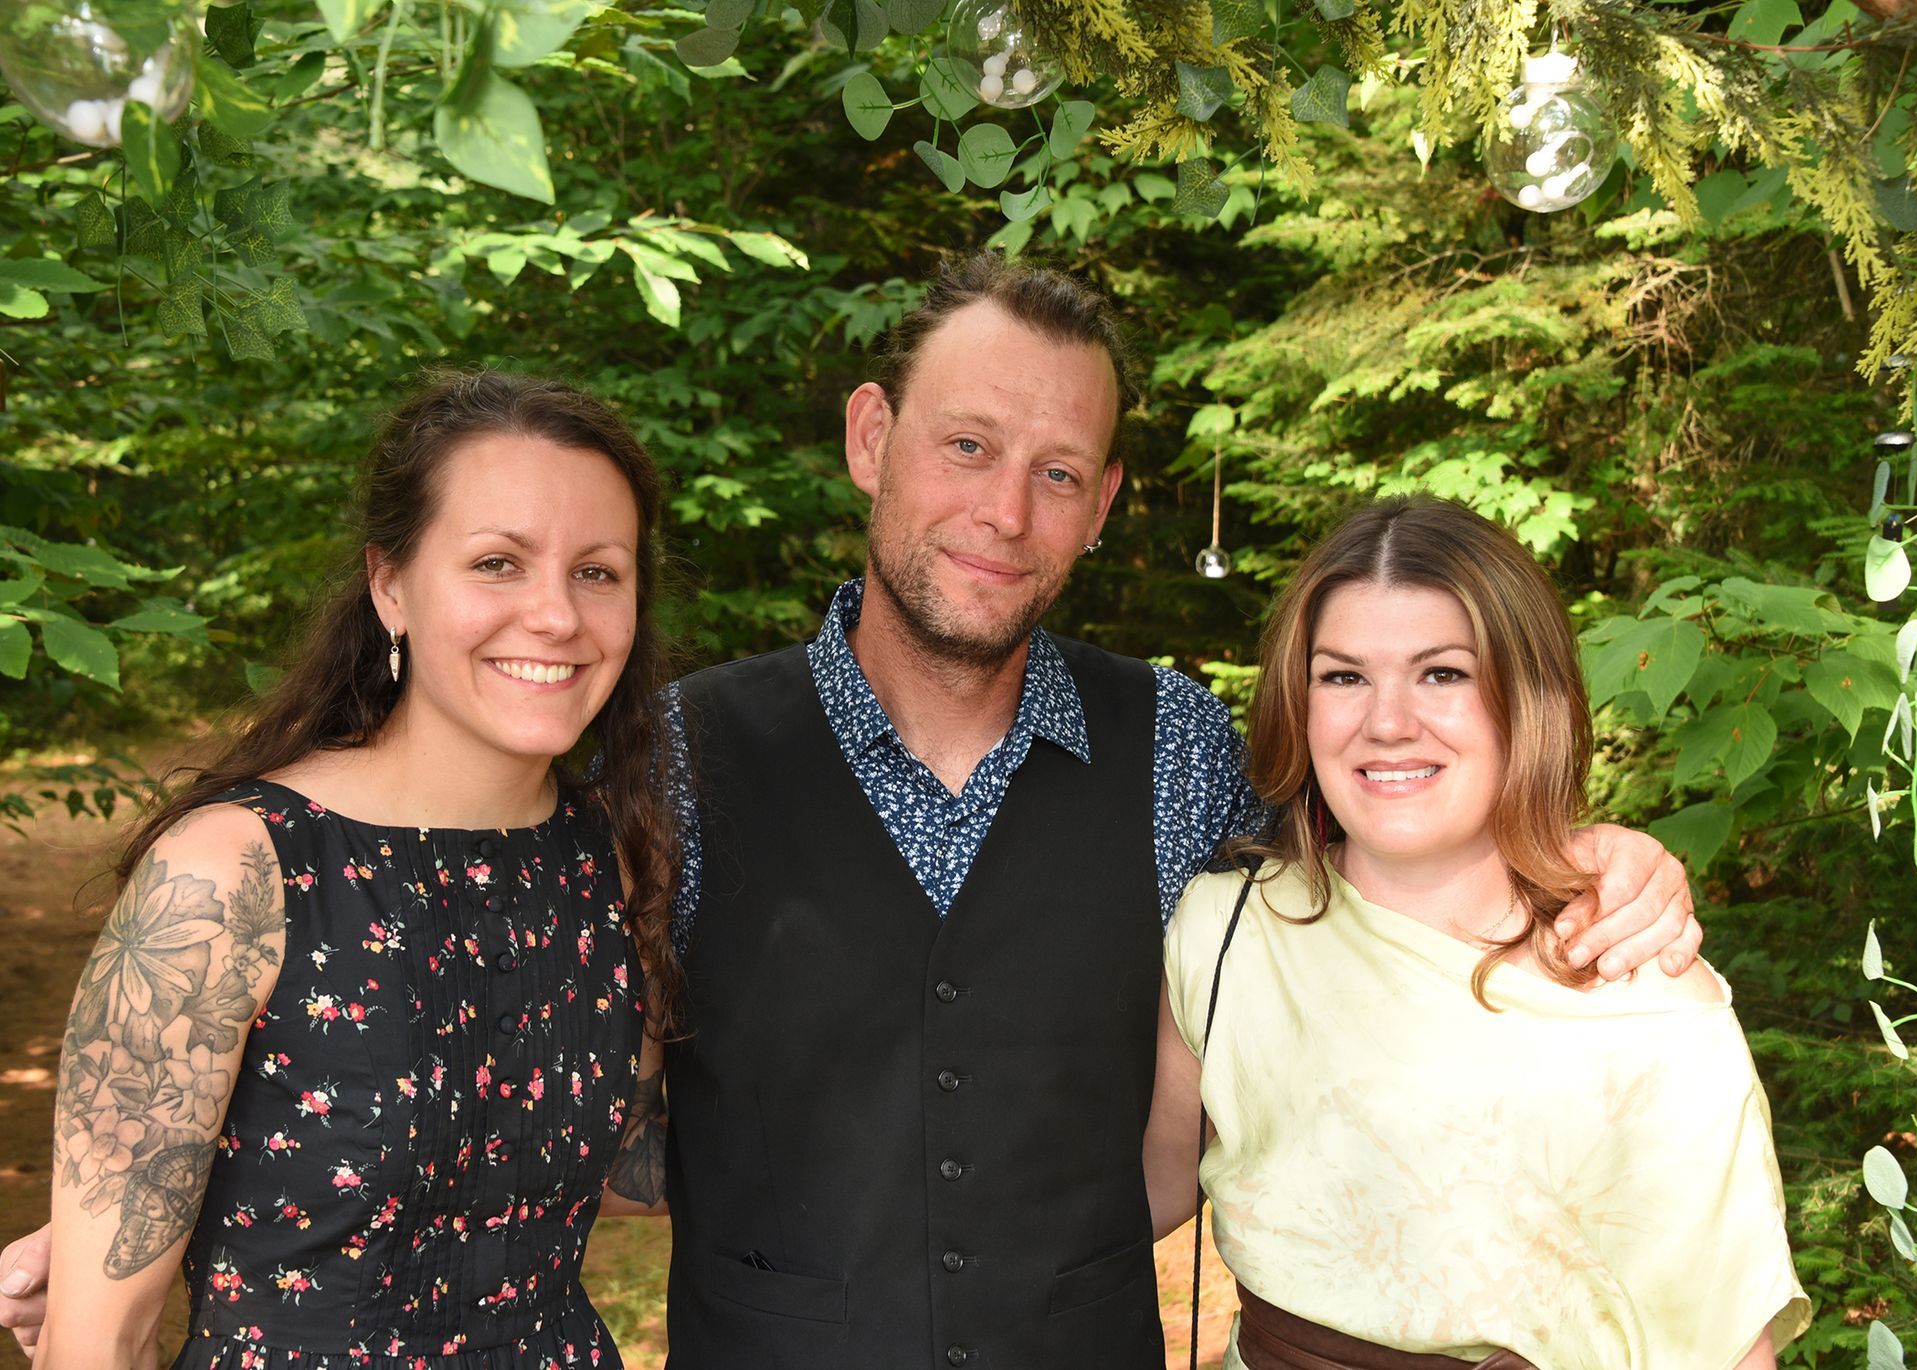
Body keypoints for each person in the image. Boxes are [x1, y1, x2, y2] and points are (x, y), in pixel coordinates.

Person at [4, 254, 1701, 1368]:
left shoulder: (1178, 749)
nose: (1005, 511)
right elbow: (517, 1071)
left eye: (1058, 473)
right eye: (966, 447)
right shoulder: (664, 762)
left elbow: (1392, 879)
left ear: (1105, 503)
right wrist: (167, 1203)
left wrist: (1596, 862)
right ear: (872, 438)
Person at [24, 370, 680, 1369]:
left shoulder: (610, 859)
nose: (555, 615)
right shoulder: (230, 875)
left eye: (598, 571)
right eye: (498, 562)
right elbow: (96, 1336)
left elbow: (622, 1157)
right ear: (390, 585)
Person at [1142, 496, 1809, 1369]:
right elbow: (1140, 1189)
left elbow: (1725, 1345)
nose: (1387, 722)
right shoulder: (1225, 931)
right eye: (1343, 677)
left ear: (1527, 700)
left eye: (1442, 674)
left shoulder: (1640, 984)